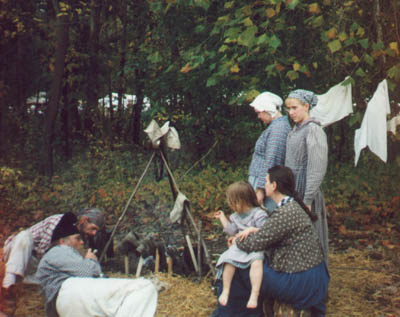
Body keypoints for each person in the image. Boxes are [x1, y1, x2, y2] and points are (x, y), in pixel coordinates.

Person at [212, 166, 329, 317]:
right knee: (253, 265)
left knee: (239, 267)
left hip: (300, 283)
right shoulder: (291, 206)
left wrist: (235, 241)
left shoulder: (285, 213)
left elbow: (254, 243)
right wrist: (253, 231)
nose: (264, 184)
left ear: (274, 186)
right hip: (312, 277)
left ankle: (233, 313)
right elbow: (270, 233)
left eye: (266, 181)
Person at [36, 220, 157, 317]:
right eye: (77, 238)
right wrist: (91, 260)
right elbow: (88, 272)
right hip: (69, 291)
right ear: (62, 241)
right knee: (144, 287)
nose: (82, 242)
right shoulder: (59, 251)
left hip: (66, 304)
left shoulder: (57, 258)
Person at [0, 208, 104, 316]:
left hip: (39, 268)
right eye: (93, 228)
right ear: (85, 220)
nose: (94, 233)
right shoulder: (57, 221)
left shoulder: (81, 237)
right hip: (21, 255)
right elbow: (45, 251)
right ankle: (8, 287)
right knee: (24, 237)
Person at [284, 89, 329, 263]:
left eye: (295, 108)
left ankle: (316, 281)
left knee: (311, 236)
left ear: (306, 106)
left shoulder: (313, 130)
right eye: (288, 108)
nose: (291, 112)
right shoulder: (296, 130)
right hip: (294, 190)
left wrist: (308, 199)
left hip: (305, 192)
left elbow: (316, 167)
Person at [214, 181, 268, 309]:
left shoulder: (259, 213)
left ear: (243, 200)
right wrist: (222, 218)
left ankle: (254, 294)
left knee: (257, 263)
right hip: (240, 248)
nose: (231, 205)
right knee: (229, 261)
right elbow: (232, 231)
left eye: (233, 202)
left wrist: (251, 230)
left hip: (256, 247)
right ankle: (226, 290)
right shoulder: (235, 216)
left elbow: (267, 231)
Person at [248, 91, 291, 212]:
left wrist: (261, 190)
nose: (258, 117)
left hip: (266, 183)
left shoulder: (278, 129)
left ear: (268, 109)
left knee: (263, 219)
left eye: (259, 113)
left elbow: (273, 160)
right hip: (263, 181)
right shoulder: (275, 126)